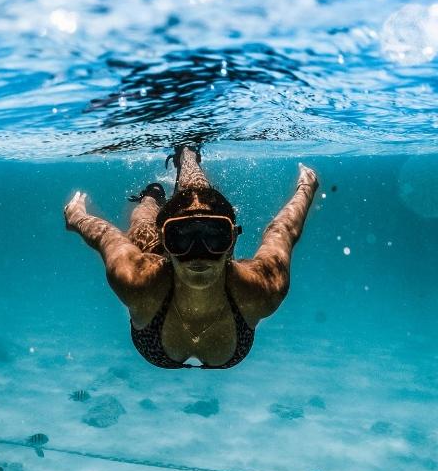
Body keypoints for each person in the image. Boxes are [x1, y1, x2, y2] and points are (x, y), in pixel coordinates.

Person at [63, 145, 318, 369]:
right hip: (157, 256)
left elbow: (284, 230)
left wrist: (307, 186)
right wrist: (76, 217)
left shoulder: (262, 288)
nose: (199, 253)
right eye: (181, 237)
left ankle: (187, 156)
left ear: (232, 241)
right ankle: (153, 194)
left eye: (214, 235)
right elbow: (106, 237)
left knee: (198, 197)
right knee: (143, 221)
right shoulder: (137, 278)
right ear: (165, 241)